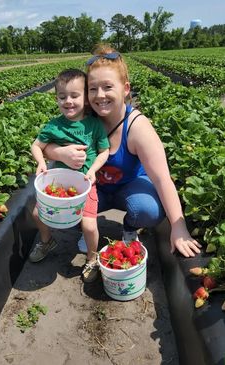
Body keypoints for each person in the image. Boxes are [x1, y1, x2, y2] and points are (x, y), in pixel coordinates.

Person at [43, 45, 202, 258]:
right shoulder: (82, 117)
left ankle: (129, 228)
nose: (100, 95)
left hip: (130, 187)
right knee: (65, 209)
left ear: (125, 88)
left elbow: (163, 178)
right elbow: (44, 146)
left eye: (108, 87)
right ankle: (86, 227)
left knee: (148, 209)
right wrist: (60, 154)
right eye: (92, 88)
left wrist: (178, 226)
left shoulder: (136, 126)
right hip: (94, 188)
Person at [29, 68, 110, 282]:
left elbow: (105, 151)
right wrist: (40, 162)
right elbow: (36, 146)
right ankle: (47, 241)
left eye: (74, 96)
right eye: (62, 96)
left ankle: (92, 259)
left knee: (89, 225)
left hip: (85, 183)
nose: (68, 101)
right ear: (56, 98)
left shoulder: (93, 125)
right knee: (37, 214)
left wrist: (93, 171)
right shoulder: (54, 125)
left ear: (85, 98)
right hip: (58, 185)